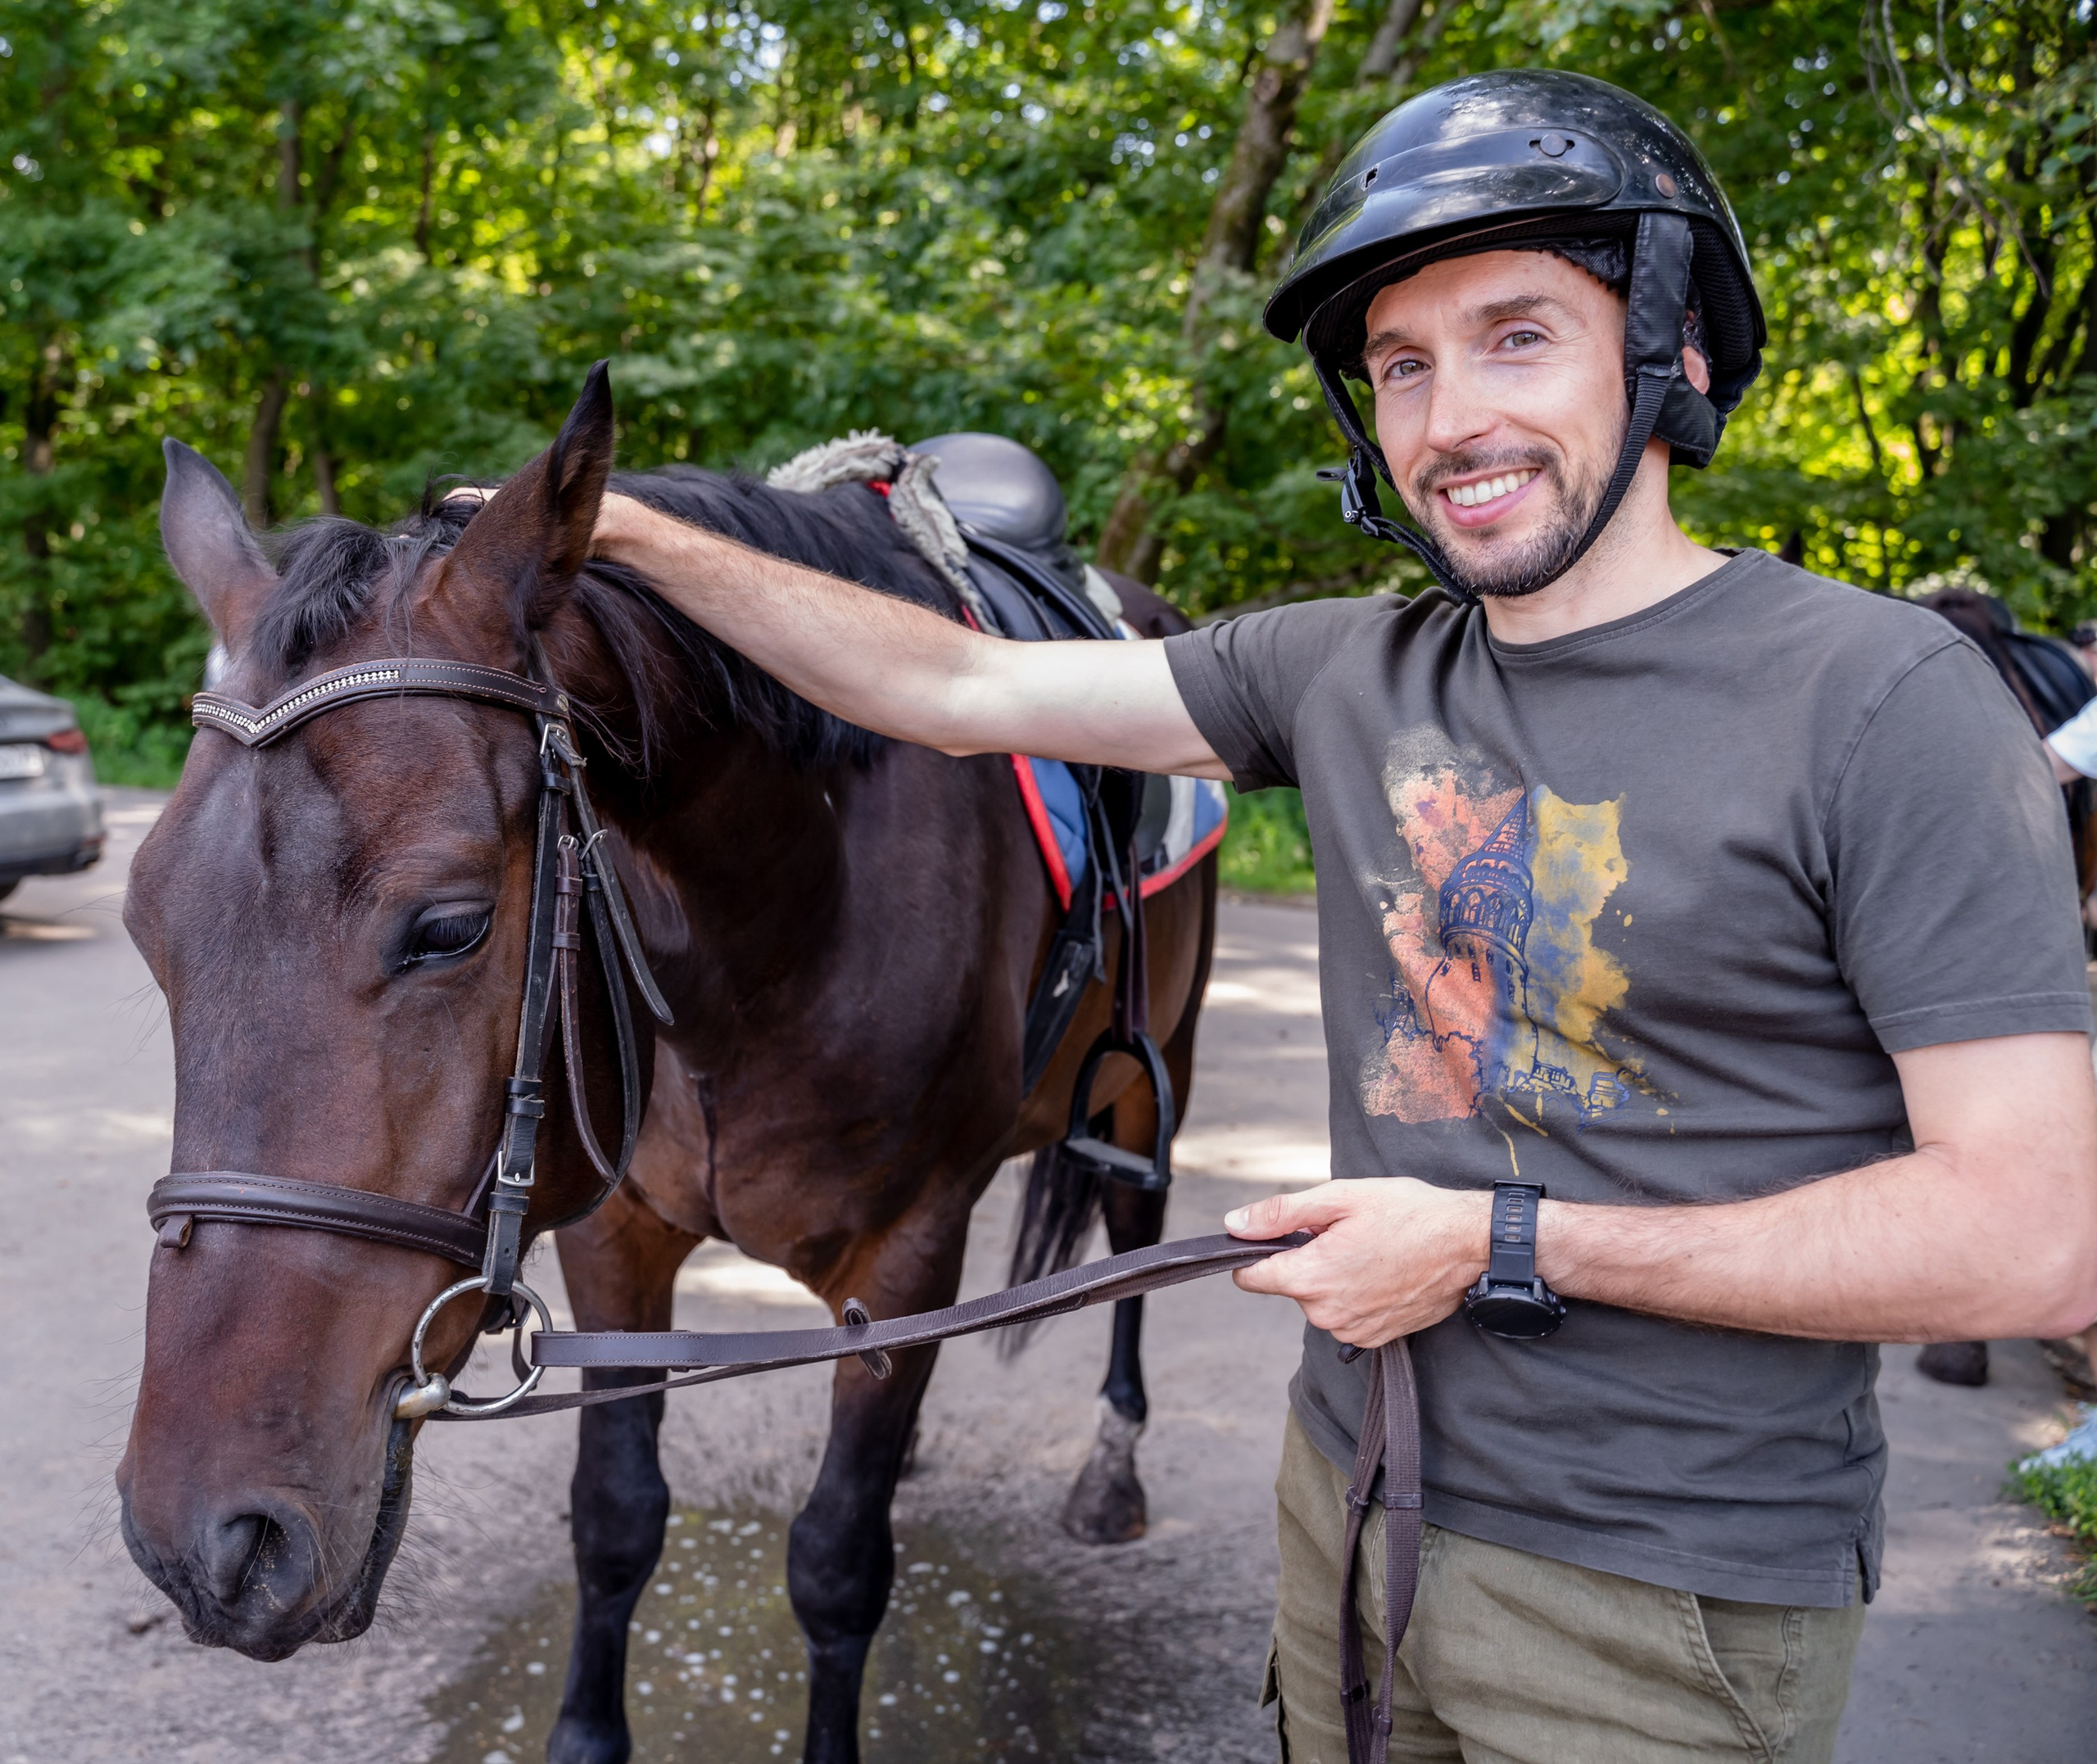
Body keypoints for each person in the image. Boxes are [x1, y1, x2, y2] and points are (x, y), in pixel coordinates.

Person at [548, 71, 2097, 1762]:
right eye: (1400, 365)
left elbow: (2034, 1236)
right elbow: (954, 678)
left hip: (1666, 1598)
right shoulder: (1344, 670)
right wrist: (614, 526)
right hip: (1345, 1509)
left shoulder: (1883, 701)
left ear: (1674, 353)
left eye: (1517, 336)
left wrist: (1502, 1244)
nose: (1447, 421)